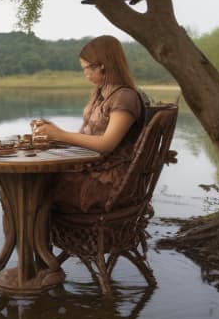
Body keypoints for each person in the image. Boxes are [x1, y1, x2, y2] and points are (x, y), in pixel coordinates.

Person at [33, 35, 145, 213]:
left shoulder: (124, 97)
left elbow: (107, 144)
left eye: (86, 69)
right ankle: (30, 237)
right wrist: (53, 133)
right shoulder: (103, 95)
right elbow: (88, 137)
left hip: (108, 181)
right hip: (95, 170)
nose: (85, 75)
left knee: (34, 187)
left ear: (102, 65)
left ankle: (30, 238)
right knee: (32, 181)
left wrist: (59, 135)